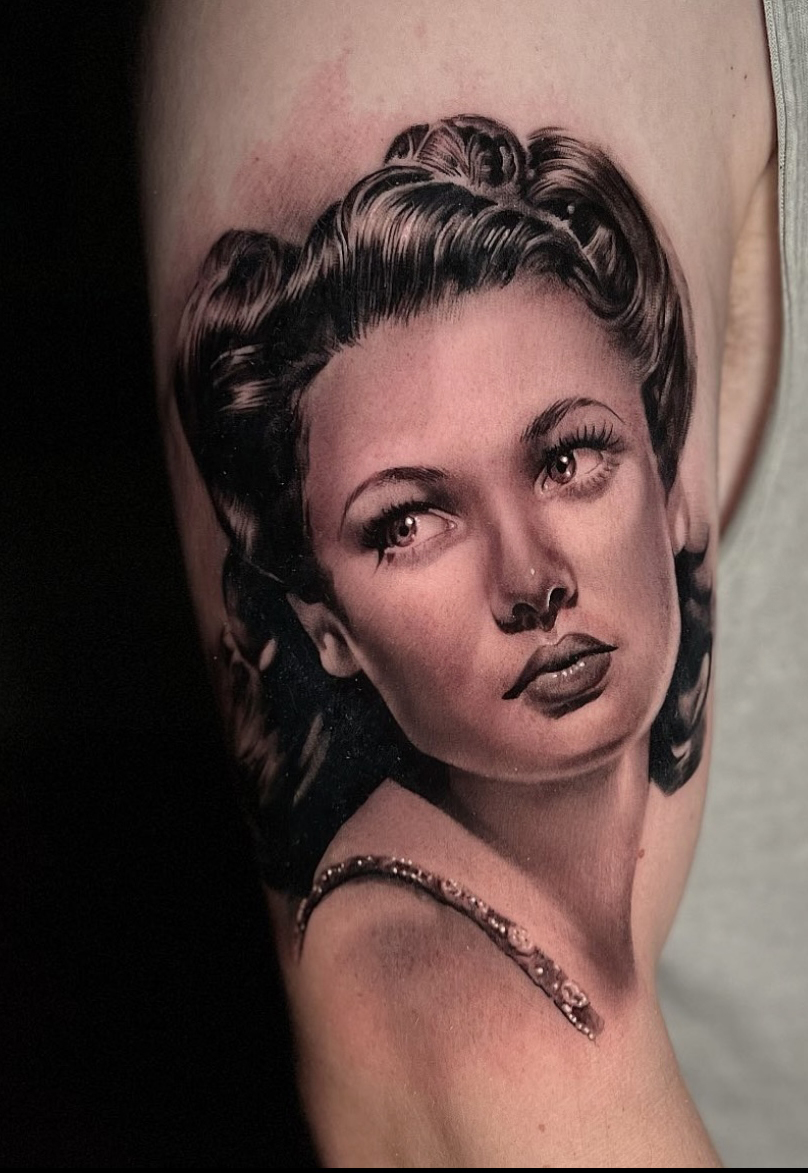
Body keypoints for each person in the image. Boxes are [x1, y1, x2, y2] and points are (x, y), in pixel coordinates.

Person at [171, 115, 718, 1161]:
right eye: (410, 523)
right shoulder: (410, 968)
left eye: (566, 460)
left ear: (672, 483)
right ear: (328, 630)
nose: (531, 584)